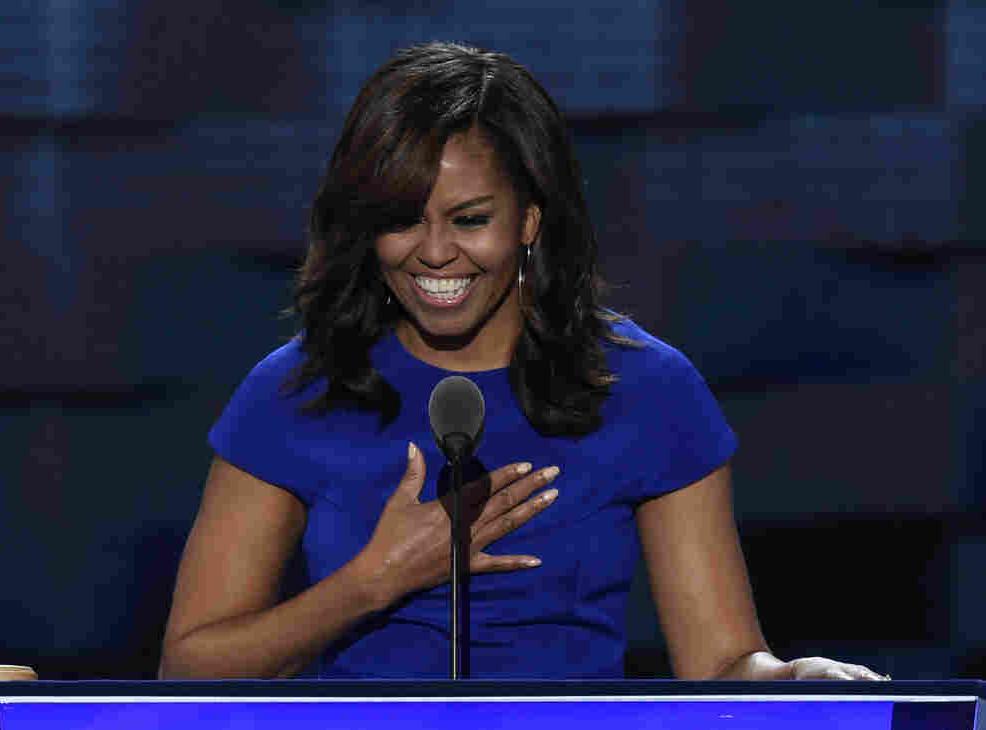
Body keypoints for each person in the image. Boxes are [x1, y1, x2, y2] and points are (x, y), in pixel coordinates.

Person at [159, 42, 887, 681]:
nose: (435, 251)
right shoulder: (296, 389)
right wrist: (373, 581)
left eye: (470, 219)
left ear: (529, 219)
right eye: (401, 218)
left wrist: (796, 677)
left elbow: (724, 663)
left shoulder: (646, 387)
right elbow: (189, 669)